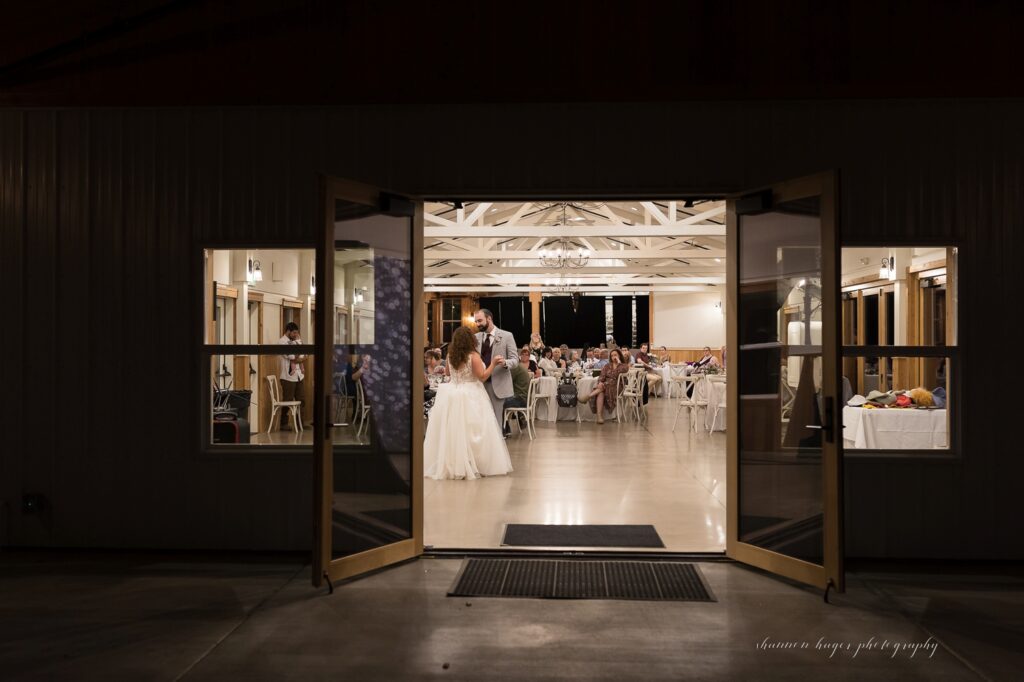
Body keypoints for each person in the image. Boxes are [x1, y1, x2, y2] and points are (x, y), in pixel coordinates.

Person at [423, 326, 513, 479]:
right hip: (471, 394)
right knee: (474, 430)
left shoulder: (451, 355)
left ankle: (454, 463)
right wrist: (493, 363)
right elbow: (482, 376)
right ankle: (474, 463)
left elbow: (447, 373)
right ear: (470, 340)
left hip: (452, 393)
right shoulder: (473, 356)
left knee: (454, 431)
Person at [473, 308, 519, 426]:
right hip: (478, 385)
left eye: (480, 321)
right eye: (476, 322)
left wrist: (505, 363)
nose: (477, 324)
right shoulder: (475, 337)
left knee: (496, 421)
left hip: (497, 386)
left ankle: (497, 443)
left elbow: (515, 360)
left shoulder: (507, 336)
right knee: (479, 420)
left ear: (489, 318)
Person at [577, 348, 629, 424]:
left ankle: (589, 396)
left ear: (619, 356)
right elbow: (602, 376)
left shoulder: (624, 366)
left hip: (617, 387)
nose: (614, 357)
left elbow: (615, 375)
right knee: (601, 392)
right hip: (606, 386)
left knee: (606, 385)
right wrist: (600, 382)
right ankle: (599, 417)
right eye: (612, 355)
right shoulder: (607, 365)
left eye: (615, 355)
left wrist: (619, 363)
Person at [278, 322, 307, 430]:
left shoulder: (295, 342)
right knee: (287, 400)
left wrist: (299, 352)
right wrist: (299, 354)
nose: (296, 335)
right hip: (288, 377)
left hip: (299, 375)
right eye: (294, 333)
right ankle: (283, 424)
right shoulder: (282, 342)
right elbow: (292, 357)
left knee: (301, 400)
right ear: (288, 331)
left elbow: (304, 355)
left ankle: (300, 424)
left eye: (297, 333)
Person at [503, 355, 533, 435]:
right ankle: (518, 420)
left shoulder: (515, 367)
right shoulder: (521, 366)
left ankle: (505, 430)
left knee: (499, 403)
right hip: (525, 398)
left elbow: (507, 381)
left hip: (520, 399)